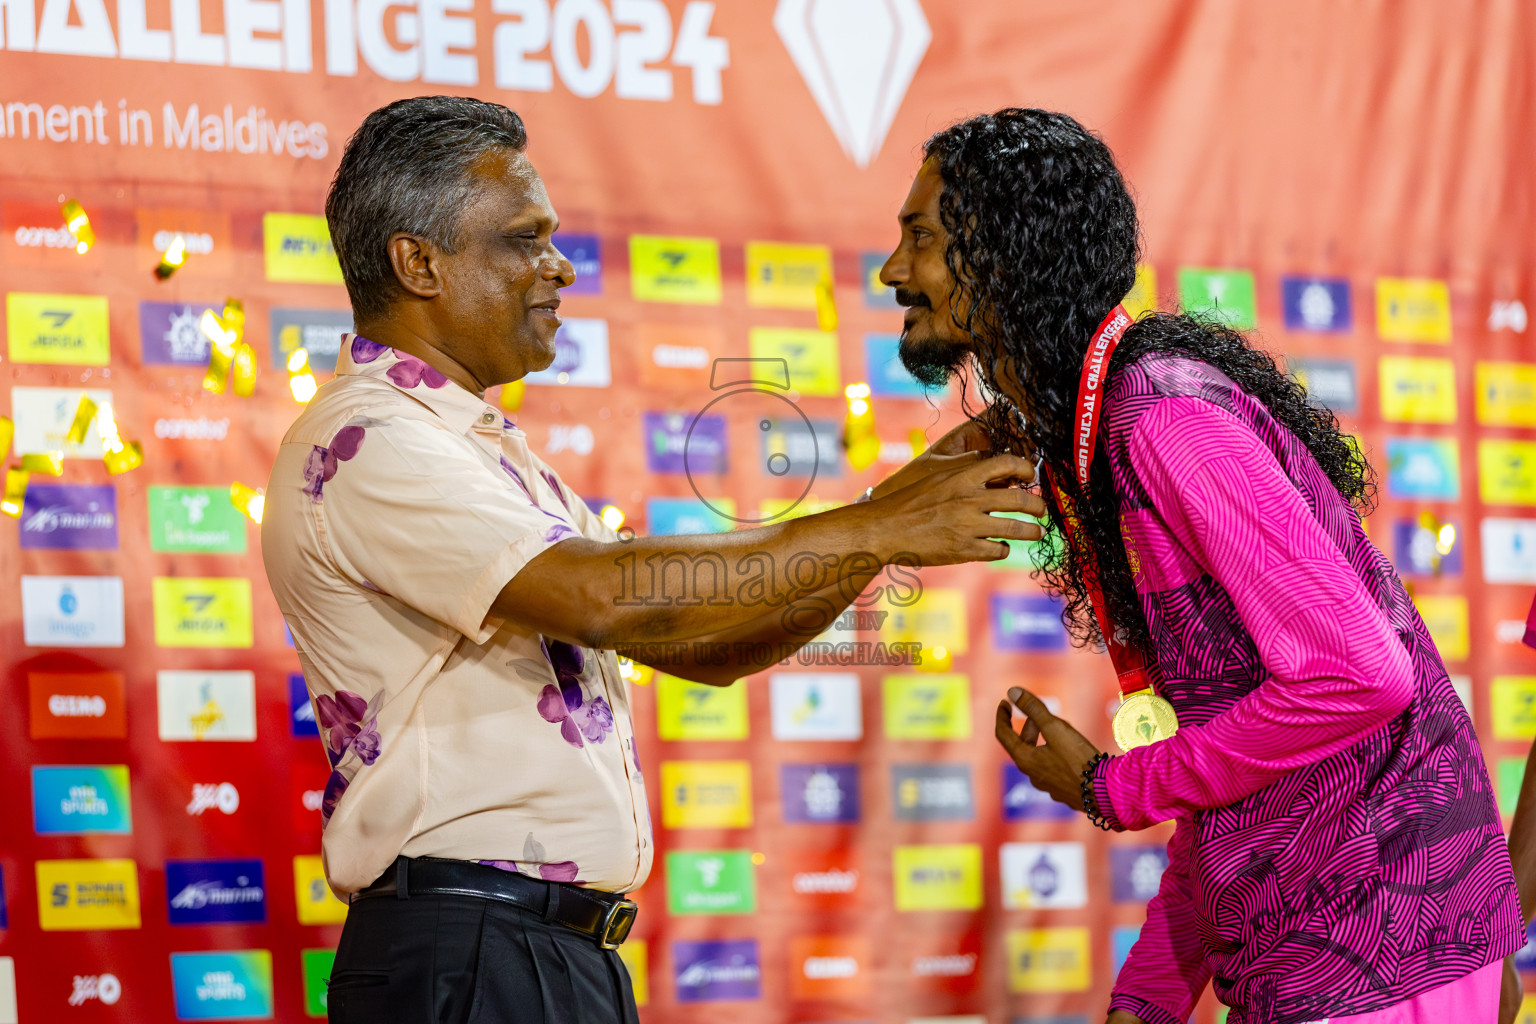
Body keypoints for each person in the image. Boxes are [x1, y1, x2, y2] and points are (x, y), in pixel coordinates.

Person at [260, 95, 1043, 1024]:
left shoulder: (478, 446)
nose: (559, 267)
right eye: (524, 238)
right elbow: (608, 598)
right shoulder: (372, 437)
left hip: (535, 955)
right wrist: (879, 528)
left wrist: (882, 518)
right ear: (417, 263)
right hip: (469, 957)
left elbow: (698, 648)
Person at [875, 107, 1523, 1023]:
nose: (893, 270)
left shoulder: (1163, 417)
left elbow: (1357, 676)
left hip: (1383, 948)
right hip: (1325, 949)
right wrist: (1149, 996)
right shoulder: (1107, 439)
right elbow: (1236, 766)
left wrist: (1110, 785)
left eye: (922, 238)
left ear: (1003, 254)